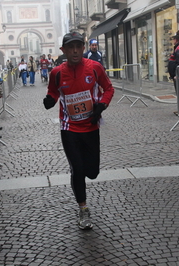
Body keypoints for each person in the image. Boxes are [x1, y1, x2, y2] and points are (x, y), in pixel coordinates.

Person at [43, 32, 114, 230]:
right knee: (78, 169)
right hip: (69, 128)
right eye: (70, 47)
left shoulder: (95, 68)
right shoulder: (57, 72)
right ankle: (83, 210)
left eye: (78, 46)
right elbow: (53, 91)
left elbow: (108, 89)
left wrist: (101, 105)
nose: (74, 51)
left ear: (83, 48)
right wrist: (50, 99)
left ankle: (87, 182)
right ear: (63, 50)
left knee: (92, 172)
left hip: (91, 127)